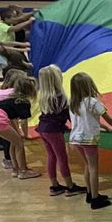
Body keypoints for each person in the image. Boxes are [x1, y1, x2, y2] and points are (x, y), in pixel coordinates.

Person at [68, 72, 112, 208]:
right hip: (89, 140)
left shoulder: (73, 103)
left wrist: (105, 128)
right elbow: (107, 118)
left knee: (87, 166)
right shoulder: (93, 102)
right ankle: (96, 200)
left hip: (76, 139)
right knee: (93, 168)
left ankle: (90, 193)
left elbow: (89, 120)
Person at [37, 65, 83, 197]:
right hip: (54, 132)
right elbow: (70, 116)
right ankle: (70, 186)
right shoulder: (60, 97)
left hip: (43, 129)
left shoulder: (43, 96)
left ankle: (54, 185)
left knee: (51, 156)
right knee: (62, 157)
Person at [0, 74, 39, 180]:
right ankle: (23, 171)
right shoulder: (23, 102)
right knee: (19, 143)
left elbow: (13, 119)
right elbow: (23, 122)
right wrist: (25, 135)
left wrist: (18, 133)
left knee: (14, 142)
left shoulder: (13, 99)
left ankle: (15, 169)